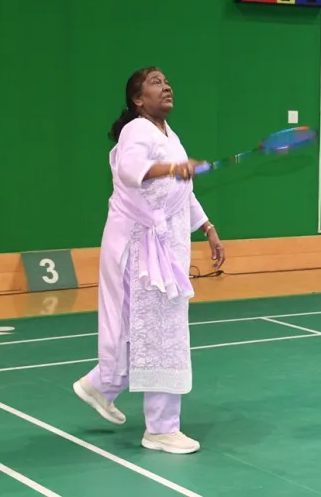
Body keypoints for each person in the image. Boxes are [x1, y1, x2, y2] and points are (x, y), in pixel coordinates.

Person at [72, 67, 225, 454]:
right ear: (138, 99)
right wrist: (174, 168)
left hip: (165, 249)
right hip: (142, 252)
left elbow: (182, 193)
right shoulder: (136, 130)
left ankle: (101, 384)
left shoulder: (169, 136)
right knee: (160, 334)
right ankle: (160, 429)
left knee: (145, 328)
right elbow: (130, 172)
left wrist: (207, 227)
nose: (166, 86)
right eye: (156, 82)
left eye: (167, 81)